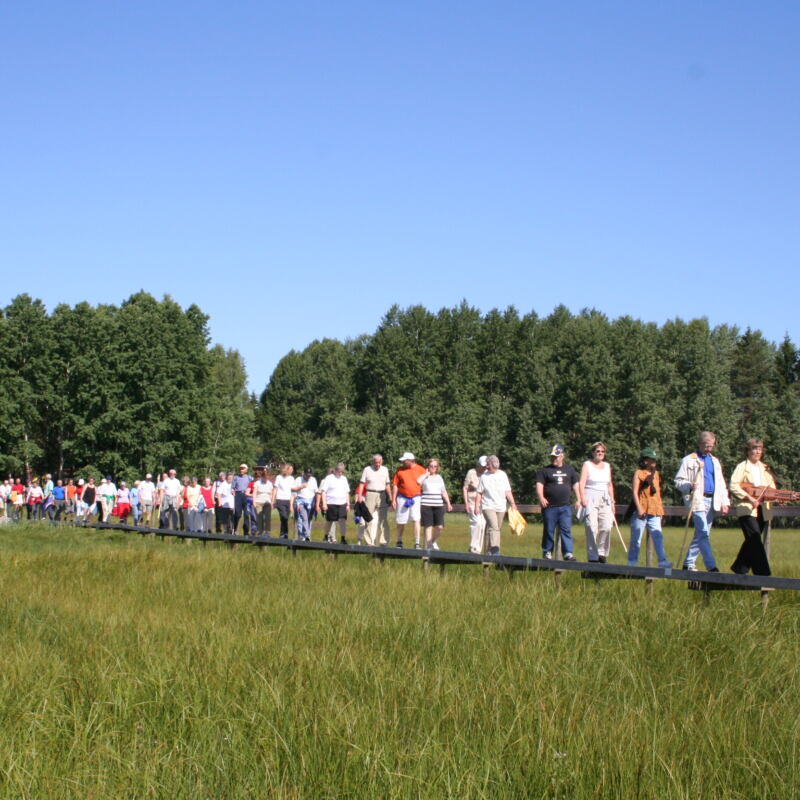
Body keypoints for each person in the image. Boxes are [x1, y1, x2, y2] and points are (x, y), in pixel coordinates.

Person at [674, 431, 730, 572]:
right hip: (697, 500)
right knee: (703, 533)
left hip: (713, 500)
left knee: (701, 534)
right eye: (706, 446)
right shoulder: (688, 460)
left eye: (711, 446)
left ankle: (688, 563)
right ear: (699, 444)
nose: (709, 449)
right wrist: (689, 486)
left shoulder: (715, 461)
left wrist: (725, 501)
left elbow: (721, 483)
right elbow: (678, 481)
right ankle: (711, 567)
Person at [728, 438, 775, 576]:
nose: (758, 451)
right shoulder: (742, 467)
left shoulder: (765, 468)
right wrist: (749, 498)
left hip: (763, 510)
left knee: (752, 540)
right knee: (754, 540)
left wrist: (777, 497)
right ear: (747, 451)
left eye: (760, 449)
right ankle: (763, 574)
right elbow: (733, 485)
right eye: (754, 449)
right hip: (747, 509)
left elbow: (771, 488)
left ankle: (739, 568)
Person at [627, 448, 672, 568]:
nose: (654, 462)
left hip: (654, 509)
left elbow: (657, 493)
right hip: (641, 510)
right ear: (645, 460)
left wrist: (660, 510)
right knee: (636, 538)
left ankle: (662, 561)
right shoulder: (638, 473)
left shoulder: (656, 474)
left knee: (658, 536)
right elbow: (635, 492)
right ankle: (632, 562)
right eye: (652, 459)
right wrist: (639, 508)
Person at [535, 445, 579, 561]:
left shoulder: (569, 469)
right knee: (549, 530)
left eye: (556, 456)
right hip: (550, 507)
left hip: (565, 506)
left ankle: (568, 553)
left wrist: (579, 498)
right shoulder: (545, 470)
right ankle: (547, 552)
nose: (554, 458)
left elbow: (575, 484)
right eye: (552, 456)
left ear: (562, 456)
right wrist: (541, 497)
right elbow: (539, 485)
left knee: (566, 529)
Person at [579, 442, 616, 563]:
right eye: (597, 451)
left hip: (605, 499)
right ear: (593, 452)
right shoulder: (587, 465)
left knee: (607, 526)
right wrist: (582, 497)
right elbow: (582, 483)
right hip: (590, 498)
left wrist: (613, 501)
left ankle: (602, 553)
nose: (600, 453)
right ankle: (592, 557)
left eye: (602, 451)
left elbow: (609, 485)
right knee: (591, 527)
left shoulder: (607, 466)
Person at [474, 455, 518, 555]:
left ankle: (490, 550)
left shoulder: (503, 475)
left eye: (488, 464)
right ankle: (495, 550)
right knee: (494, 527)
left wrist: (513, 503)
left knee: (496, 528)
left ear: (494, 464)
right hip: (488, 506)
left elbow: (507, 491)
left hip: (501, 506)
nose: (487, 466)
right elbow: (479, 492)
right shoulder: (484, 476)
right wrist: (477, 506)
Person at [392, 452, 427, 549]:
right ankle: (399, 541)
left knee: (416, 519)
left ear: (410, 460)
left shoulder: (421, 470)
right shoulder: (399, 470)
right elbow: (395, 485)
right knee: (400, 520)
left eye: (405, 460)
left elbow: (426, 484)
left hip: (416, 497)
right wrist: (393, 499)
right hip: (402, 497)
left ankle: (417, 543)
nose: (403, 462)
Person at [417, 458, 452, 550]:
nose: (433, 468)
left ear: (437, 468)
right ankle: (428, 548)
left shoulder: (439, 478)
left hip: (438, 505)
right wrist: (426, 474)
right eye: (431, 466)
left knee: (439, 527)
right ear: (428, 466)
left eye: (435, 466)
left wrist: (448, 503)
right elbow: (418, 482)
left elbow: (443, 491)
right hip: (426, 505)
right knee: (428, 527)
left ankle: (432, 541)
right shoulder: (424, 477)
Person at [358, 454, 392, 546]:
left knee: (383, 519)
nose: (377, 464)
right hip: (370, 493)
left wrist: (390, 496)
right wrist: (360, 496)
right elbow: (361, 483)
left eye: (379, 462)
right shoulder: (367, 469)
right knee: (368, 518)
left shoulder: (385, 470)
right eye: (376, 462)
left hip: (382, 494)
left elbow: (387, 484)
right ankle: (369, 542)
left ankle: (384, 541)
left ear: (382, 461)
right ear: (373, 462)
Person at [318, 462, 350, 544]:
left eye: (342, 472)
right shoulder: (329, 478)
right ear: (335, 470)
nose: (340, 473)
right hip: (331, 503)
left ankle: (343, 538)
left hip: (342, 503)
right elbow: (323, 491)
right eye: (339, 471)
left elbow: (347, 492)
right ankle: (326, 536)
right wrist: (324, 504)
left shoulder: (344, 479)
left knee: (342, 521)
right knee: (329, 521)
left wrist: (348, 504)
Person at [463, 456, 488, 554]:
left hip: (484, 504)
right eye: (482, 466)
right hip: (472, 502)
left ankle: (478, 549)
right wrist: (466, 503)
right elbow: (465, 488)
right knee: (477, 523)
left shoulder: (487, 474)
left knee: (483, 525)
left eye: (485, 466)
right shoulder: (471, 472)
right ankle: (473, 545)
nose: (483, 468)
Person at [293, 468, 318, 541]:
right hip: (301, 501)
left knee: (309, 519)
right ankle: (305, 535)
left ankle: (306, 535)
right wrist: (300, 487)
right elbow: (292, 489)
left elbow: (316, 491)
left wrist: (317, 503)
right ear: (303, 473)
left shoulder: (313, 480)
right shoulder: (298, 479)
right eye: (307, 475)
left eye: (309, 475)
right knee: (304, 518)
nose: (308, 477)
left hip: (310, 501)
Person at [273, 464, 295, 539]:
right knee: (284, 517)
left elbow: (292, 491)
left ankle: (283, 534)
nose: (292, 471)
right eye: (291, 469)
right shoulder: (279, 477)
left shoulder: (292, 478)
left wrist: (292, 504)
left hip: (288, 500)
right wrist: (273, 500)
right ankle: (284, 533)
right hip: (280, 500)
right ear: (287, 469)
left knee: (284, 519)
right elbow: (275, 489)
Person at [251, 470, 275, 536]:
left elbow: (272, 493)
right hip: (258, 502)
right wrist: (254, 501)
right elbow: (254, 492)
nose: (266, 478)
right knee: (259, 517)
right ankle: (260, 532)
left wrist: (272, 502)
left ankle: (267, 532)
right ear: (262, 476)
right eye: (265, 477)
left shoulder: (270, 483)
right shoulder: (257, 483)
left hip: (267, 502)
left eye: (267, 477)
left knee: (267, 517)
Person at [231, 464, 252, 534]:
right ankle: (235, 529)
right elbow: (232, 488)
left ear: (246, 470)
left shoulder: (249, 478)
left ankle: (246, 531)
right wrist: (233, 492)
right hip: (238, 495)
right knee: (237, 514)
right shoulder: (236, 478)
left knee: (246, 514)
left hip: (246, 496)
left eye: (243, 468)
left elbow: (253, 486)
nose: (241, 470)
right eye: (240, 468)